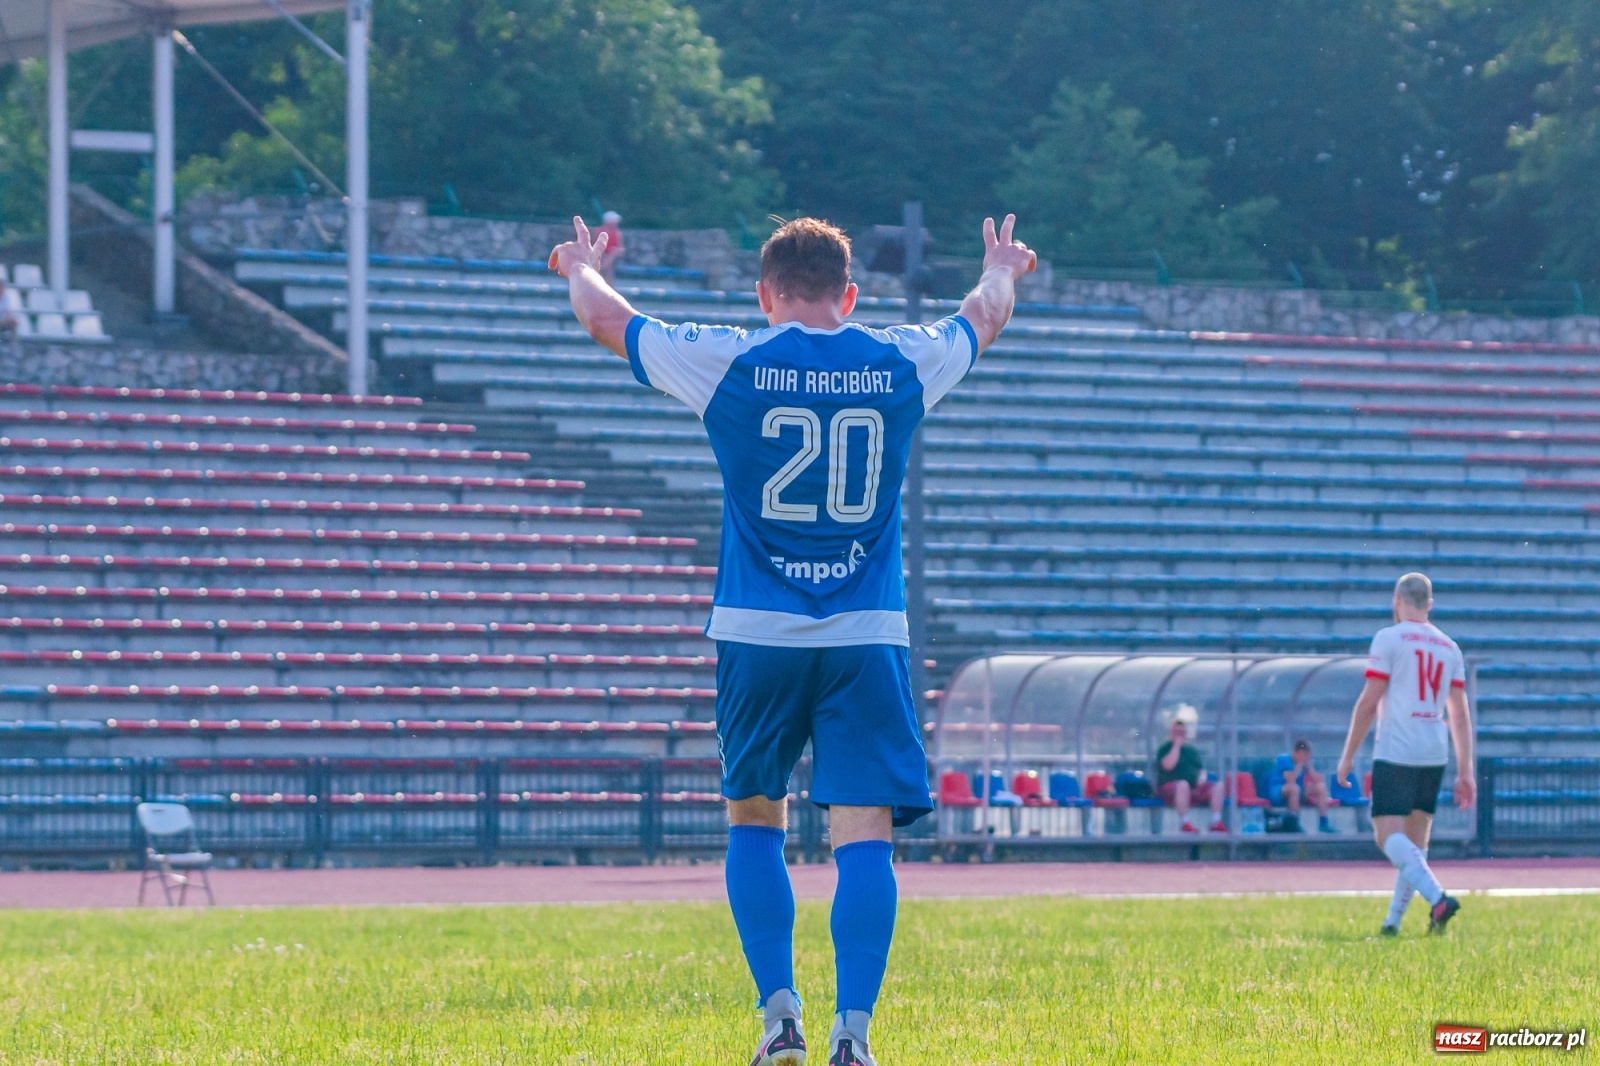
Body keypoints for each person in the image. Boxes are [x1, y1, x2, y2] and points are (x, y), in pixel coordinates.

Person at [549, 212, 1036, 1066]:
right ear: (849, 297)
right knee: (864, 835)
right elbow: (982, 319)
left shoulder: (732, 356)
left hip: (756, 631)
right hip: (865, 633)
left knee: (753, 817)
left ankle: (780, 1021)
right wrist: (1000, 266)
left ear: (766, 296)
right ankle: (854, 1035)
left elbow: (605, 319)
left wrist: (579, 266)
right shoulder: (898, 359)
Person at [1335, 572, 1475, 937]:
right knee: (1416, 844)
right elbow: (1459, 713)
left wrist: (1348, 753)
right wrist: (1466, 770)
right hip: (1433, 749)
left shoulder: (1389, 638)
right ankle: (1391, 924)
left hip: (1397, 747)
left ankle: (1438, 898)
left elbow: (1369, 702)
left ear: (1396, 599)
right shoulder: (1449, 646)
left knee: (1386, 836)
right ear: (1429, 604)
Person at [1155, 706, 1226, 834]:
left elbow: (1201, 769)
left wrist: (1201, 778)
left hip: (1193, 786)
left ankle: (1216, 821)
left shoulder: (1191, 750)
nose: (1180, 735)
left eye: (1182, 732)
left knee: (1218, 786)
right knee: (1183, 785)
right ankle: (1185, 822)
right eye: (1177, 732)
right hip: (1171, 788)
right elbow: (1168, 765)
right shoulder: (1165, 748)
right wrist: (1176, 745)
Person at [1270, 738, 1337, 833]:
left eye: (1307, 755)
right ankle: (1294, 823)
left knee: (1321, 787)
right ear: (1296, 753)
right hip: (1279, 791)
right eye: (1303, 754)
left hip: (1299, 791)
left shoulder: (1305, 763)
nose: (1305, 757)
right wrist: (1299, 765)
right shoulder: (1284, 759)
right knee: (1294, 788)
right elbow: (1290, 780)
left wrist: (1309, 767)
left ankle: (1323, 823)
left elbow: (1317, 780)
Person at [597, 210, 625, 283]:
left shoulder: (617, 233)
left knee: (613, 253)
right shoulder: (600, 231)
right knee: (608, 263)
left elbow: (619, 246)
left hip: (611, 254)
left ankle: (603, 267)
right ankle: (607, 281)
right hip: (602, 253)